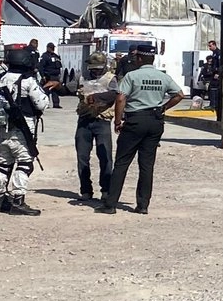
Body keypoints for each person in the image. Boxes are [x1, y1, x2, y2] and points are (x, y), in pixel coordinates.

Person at [98, 45, 185, 215]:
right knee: (146, 165)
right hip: (155, 121)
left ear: (139, 59)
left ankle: (111, 204)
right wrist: (164, 107)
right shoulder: (162, 77)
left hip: (135, 121)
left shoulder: (132, 76)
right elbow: (179, 95)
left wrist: (117, 120)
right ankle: (143, 205)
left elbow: (121, 97)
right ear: (152, 59)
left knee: (122, 163)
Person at [0, 44, 50, 215]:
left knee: (2, 164)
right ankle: (17, 201)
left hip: (3, 129)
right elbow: (42, 103)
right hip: (23, 129)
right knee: (24, 164)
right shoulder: (28, 81)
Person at [75, 52, 118, 202]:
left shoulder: (110, 79)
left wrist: (97, 98)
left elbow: (115, 95)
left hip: (102, 121)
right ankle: (85, 190)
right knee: (82, 157)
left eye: (98, 68)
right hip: (84, 121)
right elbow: (71, 89)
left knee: (105, 157)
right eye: (92, 68)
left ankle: (106, 190)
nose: (95, 71)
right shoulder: (83, 77)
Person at [38, 42, 64, 108]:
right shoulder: (44, 56)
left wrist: (60, 76)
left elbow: (59, 67)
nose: (52, 49)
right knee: (46, 91)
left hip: (55, 76)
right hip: (48, 76)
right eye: (51, 48)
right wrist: (43, 75)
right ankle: (46, 104)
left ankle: (56, 104)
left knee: (55, 91)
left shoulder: (56, 56)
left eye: (53, 48)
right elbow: (41, 67)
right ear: (48, 48)